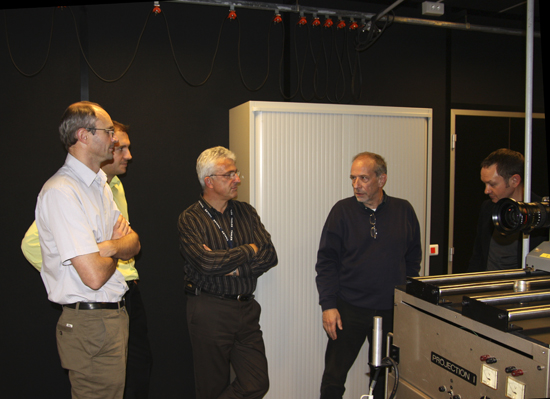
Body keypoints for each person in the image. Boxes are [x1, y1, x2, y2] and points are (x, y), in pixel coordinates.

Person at [21, 121, 152, 399]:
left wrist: (105, 249)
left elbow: (133, 242)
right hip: (92, 306)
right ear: (86, 138)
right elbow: (34, 244)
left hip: (118, 300)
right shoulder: (64, 191)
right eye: (119, 146)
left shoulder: (106, 188)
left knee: (134, 378)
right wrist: (71, 266)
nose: (128, 155)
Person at [315, 151, 422, 399]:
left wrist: (405, 296)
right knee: (333, 377)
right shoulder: (341, 211)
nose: (356, 185)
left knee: (386, 377)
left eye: (363, 178)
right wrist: (328, 305)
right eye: (353, 178)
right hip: (348, 309)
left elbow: (413, 257)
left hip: (390, 311)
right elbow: (326, 262)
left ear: (381, 179)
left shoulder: (403, 210)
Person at [177, 146, 278, 399]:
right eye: (229, 175)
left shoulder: (246, 212)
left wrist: (232, 269)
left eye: (236, 173)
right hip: (209, 309)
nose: (238, 180)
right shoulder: (190, 219)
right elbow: (205, 263)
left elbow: (269, 255)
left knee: (256, 382)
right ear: (208, 181)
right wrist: (248, 250)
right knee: (211, 387)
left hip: (246, 310)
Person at [468, 148, 548, 272]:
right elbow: (478, 256)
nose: (486, 191)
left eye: (492, 184)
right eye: (484, 184)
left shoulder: (541, 214)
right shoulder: (488, 207)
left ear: (514, 180)